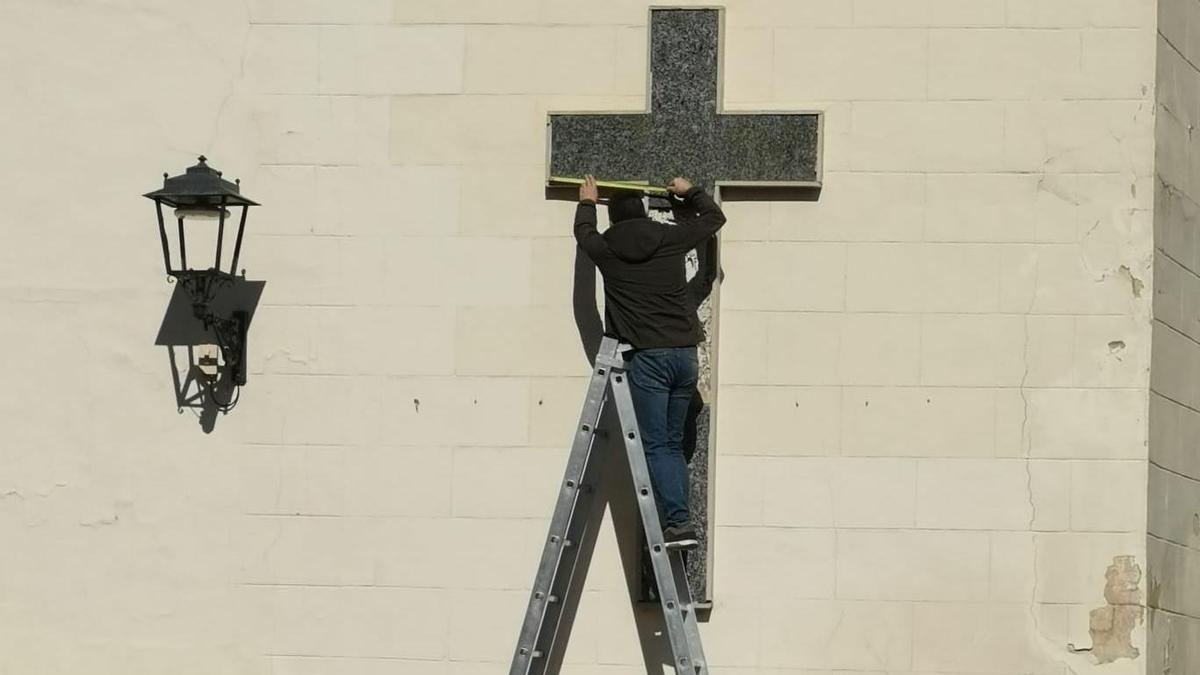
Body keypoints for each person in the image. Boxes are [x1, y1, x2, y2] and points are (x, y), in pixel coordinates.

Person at [573, 174, 727, 547]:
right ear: (644, 211)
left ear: (614, 218)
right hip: (685, 356)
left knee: (657, 445)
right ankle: (680, 521)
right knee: (672, 445)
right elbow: (713, 220)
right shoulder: (668, 238)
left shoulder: (607, 249)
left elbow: (583, 233)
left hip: (649, 359)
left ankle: (677, 522)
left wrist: (587, 202)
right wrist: (689, 193)